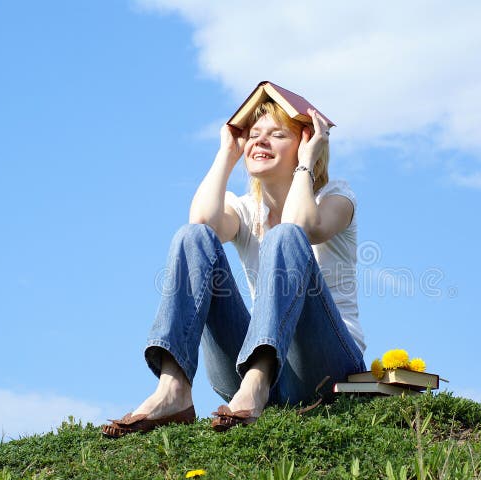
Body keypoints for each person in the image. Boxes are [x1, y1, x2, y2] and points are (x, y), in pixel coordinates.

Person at [101, 93, 366, 437]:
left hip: (326, 367)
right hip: (249, 375)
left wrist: (306, 163)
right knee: (191, 237)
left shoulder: (335, 197)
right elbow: (201, 221)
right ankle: (173, 389)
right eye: (254, 134)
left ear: (304, 144)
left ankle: (257, 381)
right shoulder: (244, 209)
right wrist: (226, 155)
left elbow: (302, 226)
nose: (260, 141)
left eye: (277, 134)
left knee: (285, 236)